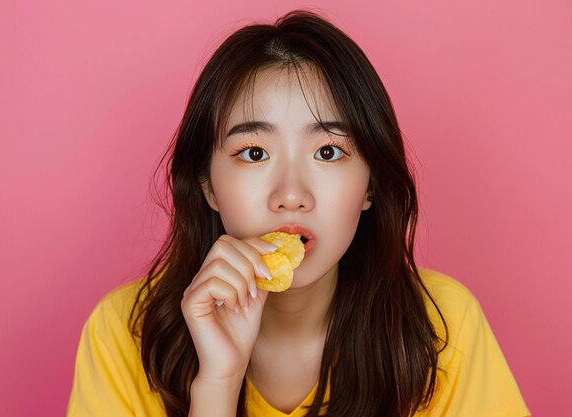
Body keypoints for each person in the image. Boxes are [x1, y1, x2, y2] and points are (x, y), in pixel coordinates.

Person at [67, 9, 531, 417]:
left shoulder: (441, 327)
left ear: (371, 186)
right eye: (253, 153)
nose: (291, 195)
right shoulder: (124, 334)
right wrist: (218, 386)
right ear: (207, 185)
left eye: (328, 152)